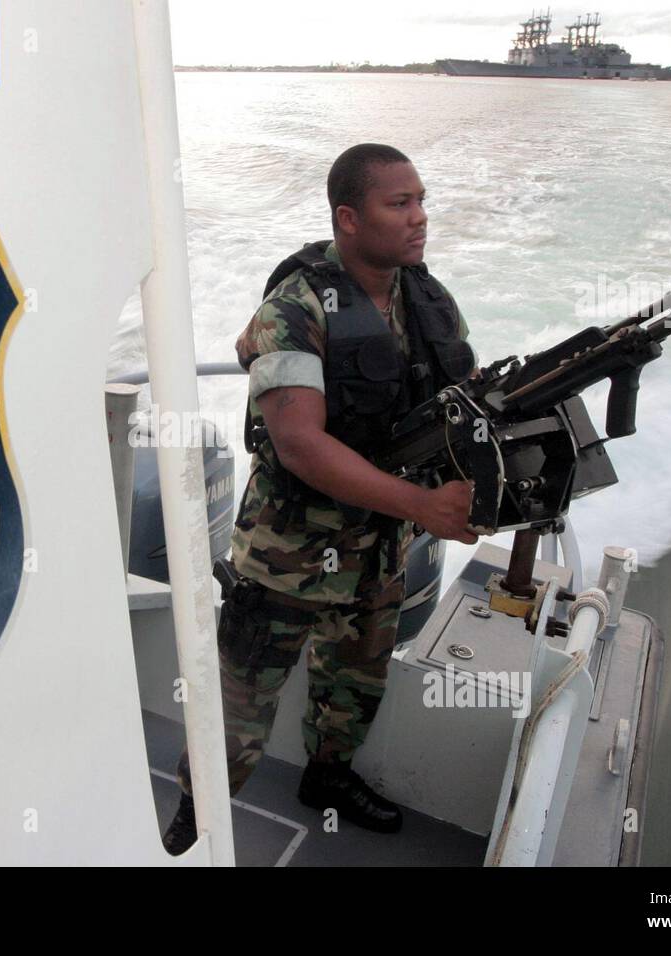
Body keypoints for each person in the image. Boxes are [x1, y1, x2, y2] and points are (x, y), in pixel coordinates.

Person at [164, 144, 480, 856]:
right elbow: (301, 442)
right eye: (399, 204)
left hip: (378, 555)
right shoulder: (294, 308)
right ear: (348, 217)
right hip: (288, 561)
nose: (419, 218)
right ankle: (195, 819)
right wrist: (423, 507)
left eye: (421, 200)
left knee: (353, 687)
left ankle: (328, 779)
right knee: (240, 709)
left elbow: (462, 401)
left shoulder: (425, 301)